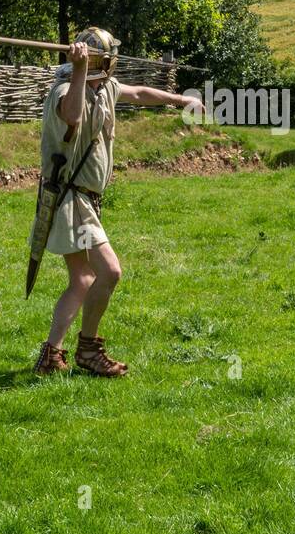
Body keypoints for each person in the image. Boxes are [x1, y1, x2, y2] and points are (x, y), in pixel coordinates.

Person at [31, 28, 204, 377]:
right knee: (109, 271)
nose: (114, 61)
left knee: (82, 279)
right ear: (99, 61)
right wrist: (78, 69)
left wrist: (179, 100)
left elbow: (139, 93)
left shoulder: (105, 87)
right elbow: (72, 116)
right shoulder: (66, 90)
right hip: (71, 199)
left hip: (83, 200)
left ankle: (51, 356)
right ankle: (89, 350)